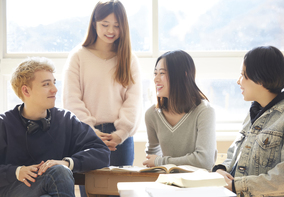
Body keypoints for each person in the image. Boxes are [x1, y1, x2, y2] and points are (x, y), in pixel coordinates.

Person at [62, 0, 142, 196]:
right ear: (94, 23)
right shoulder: (78, 56)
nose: (110, 30)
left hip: (120, 141)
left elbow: (134, 100)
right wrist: (90, 132)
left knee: (120, 192)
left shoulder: (129, 58)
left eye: (116, 25)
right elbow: (72, 100)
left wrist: (121, 133)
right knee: (90, 191)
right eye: (105, 24)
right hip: (86, 138)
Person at [0, 57, 110, 197]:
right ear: (26, 91)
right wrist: (16, 171)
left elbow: (101, 152)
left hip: (50, 190)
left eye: (54, 83)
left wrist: (67, 163)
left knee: (58, 175)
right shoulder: (3, 123)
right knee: (59, 171)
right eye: (46, 84)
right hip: (13, 190)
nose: (55, 89)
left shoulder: (66, 120)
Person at [213, 46, 284, 196]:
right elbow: (234, 154)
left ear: (261, 78)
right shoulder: (254, 112)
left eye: (244, 75)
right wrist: (220, 170)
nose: (239, 81)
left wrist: (236, 185)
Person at [143, 50, 217, 171]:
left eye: (161, 73)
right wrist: (157, 163)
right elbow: (152, 159)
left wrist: (160, 162)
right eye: (155, 73)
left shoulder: (204, 111)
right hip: (166, 184)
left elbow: (204, 161)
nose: (156, 79)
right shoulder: (151, 114)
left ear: (184, 75)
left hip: (199, 185)